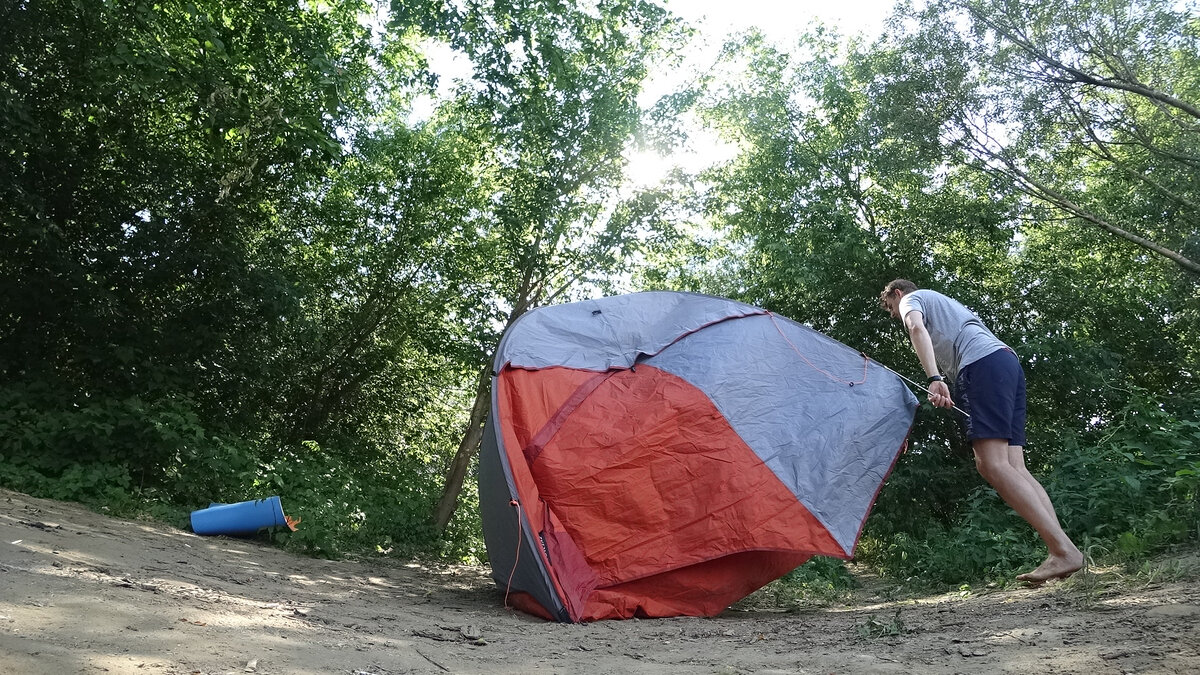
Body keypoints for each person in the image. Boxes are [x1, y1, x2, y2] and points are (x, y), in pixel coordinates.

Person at [880, 279, 1083, 583]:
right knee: (1015, 467)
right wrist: (949, 384)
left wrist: (934, 376)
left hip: (981, 365)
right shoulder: (946, 304)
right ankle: (1062, 550)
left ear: (897, 294)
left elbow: (916, 329)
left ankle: (1063, 551)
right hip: (1004, 362)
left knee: (991, 464)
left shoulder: (913, 299)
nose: (897, 316)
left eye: (892, 310)